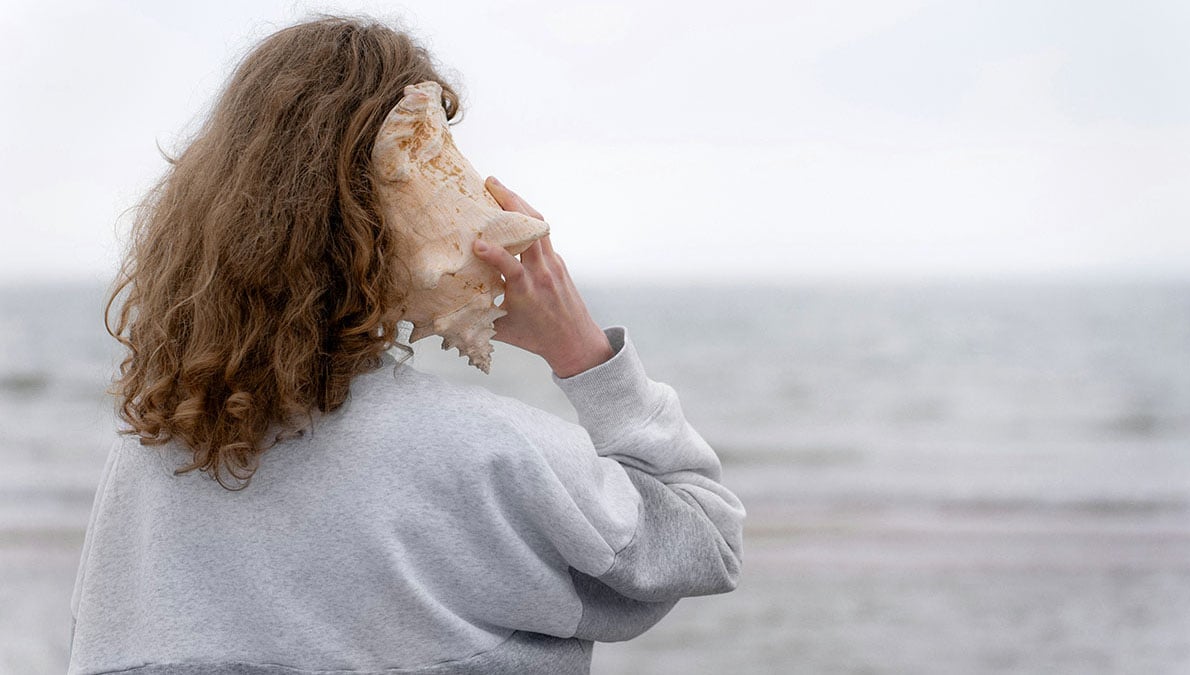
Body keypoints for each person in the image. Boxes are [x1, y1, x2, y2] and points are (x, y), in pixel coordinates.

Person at [69, 16, 744, 675]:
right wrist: (585, 352)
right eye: (435, 153)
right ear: (387, 199)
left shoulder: (147, 460)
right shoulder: (484, 456)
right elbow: (705, 537)